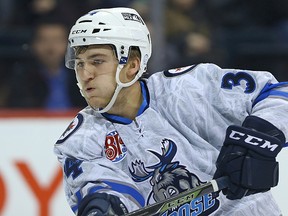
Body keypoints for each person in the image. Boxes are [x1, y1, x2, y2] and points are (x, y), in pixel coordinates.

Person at [54, 7, 288, 216]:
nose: (85, 74)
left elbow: (278, 93)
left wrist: (257, 140)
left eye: (97, 61)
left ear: (132, 65)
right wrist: (103, 206)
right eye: (80, 63)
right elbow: (107, 193)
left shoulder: (191, 87)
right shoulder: (80, 141)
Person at [7, 18, 86, 109]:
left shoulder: (82, 75)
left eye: (57, 40)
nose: (50, 47)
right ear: (33, 44)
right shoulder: (22, 77)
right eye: (44, 40)